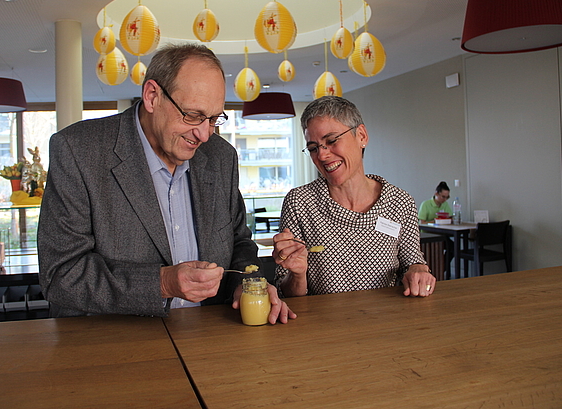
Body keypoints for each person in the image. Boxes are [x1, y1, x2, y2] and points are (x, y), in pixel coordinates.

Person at [38, 43, 295, 324]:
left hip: (212, 340)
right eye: (193, 115)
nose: (204, 135)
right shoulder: (78, 150)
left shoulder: (221, 157)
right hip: (110, 347)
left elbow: (239, 242)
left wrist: (248, 284)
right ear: (152, 96)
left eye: (213, 119)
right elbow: (61, 275)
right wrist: (161, 283)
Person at [272, 96, 435, 298]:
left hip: (387, 320)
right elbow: (287, 293)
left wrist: (418, 270)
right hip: (323, 324)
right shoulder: (300, 203)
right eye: (313, 148)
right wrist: (297, 275)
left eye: (331, 141)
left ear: (362, 136)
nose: (322, 156)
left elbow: (413, 262)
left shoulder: (399, 202)